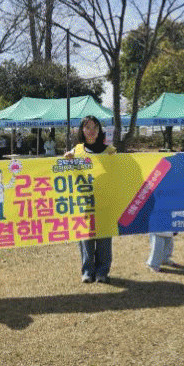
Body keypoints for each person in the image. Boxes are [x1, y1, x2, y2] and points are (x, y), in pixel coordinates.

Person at [64, 115, 116, 283]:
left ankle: (102, 272)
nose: (91, 131)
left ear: (100, 130)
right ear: (82, 130)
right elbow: (68, 173)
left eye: (95, 127)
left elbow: (118, 173)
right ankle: (87, 271)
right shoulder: (77, 150)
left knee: (104, 238)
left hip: (105, 201)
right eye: (87, 127)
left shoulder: (110, 151)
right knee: (85, 237)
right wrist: (68, 158)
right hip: (84, 202)